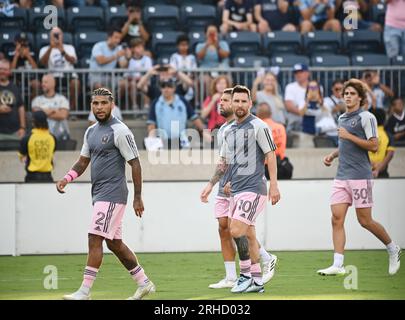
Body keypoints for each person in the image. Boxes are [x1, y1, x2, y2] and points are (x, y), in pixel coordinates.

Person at [56, 88, 155, 300]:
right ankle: (144, 283)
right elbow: (83, 161)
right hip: (99, 194)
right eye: (95, 103)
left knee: (94, 237)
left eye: (103, 103)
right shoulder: (91, 132)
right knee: (114, 243)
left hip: (113, 194)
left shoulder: (120, 131)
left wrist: (138, 197)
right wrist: (67, 178)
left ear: (112, 104)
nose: (99, 107)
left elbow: (135, 164)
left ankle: (84, 291)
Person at [317, 79, 401, 276]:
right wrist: (333, 154)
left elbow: (374, 146)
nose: (348, 96)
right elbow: (346, 144)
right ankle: (338, 264)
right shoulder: (342, 118)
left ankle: (392, 248)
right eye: (346, 93)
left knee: (365, 221)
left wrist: (348, 136)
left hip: (360, 176)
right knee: (336, 219)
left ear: (361, 98)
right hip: (341, 176)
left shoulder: (367, 117)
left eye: (352, 93)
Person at [203, 85, 280, 294]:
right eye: (236, 101)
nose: (239, 104)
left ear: (250, 103)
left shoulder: (258, 126)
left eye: (243, 101)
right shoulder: (227, 130)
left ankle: (244, 275)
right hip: (235, 189)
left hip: (254, 188)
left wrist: (274, 184)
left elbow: (270, 154)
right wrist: (212, 184)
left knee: (235, 230)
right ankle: (257, 281)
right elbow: (225, 161)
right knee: (250, 236)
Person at [146, 77, 205, 149]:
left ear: (174, 88)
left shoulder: (182, 100)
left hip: (181, 140)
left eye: (169, 86)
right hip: (162, 140)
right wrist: (152, 138)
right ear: (160, 89)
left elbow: (194, 118)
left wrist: (204, 132)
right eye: (163, 86)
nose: (166, 89)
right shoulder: (156, 102)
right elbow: (151, 123)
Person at [39, 27, 80, 110]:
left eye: (58, 34)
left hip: (68, 75)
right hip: (52, 76)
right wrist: (51, 48)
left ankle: (72, 109)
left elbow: (73, 61)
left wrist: (62, 50)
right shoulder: (44, 49)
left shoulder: (69, 47)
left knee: (75, 83)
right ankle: (50, 109)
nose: (56, 36)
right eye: (54, 35)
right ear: (50, 37)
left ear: (62, 36)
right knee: (46, 83)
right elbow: (42, 63)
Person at [256, 102, 293, 180]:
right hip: (280, 166)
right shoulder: (281, 127)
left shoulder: (256, 128)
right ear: (271, 114)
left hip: (263, 169)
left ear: (257, 115)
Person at [19, 110, 56, 183]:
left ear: (33, 122)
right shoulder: (52, 138)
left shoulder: (27, 138)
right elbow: (52, 153)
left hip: (32, 177)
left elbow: (22, 158)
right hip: (48, 177)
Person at [31, 74, 71, 141]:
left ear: (53, 84)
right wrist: (54, 110)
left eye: (45, 82)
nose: (42, 84)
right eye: (42, 82)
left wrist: (43, 111)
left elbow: (63, 115)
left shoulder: (62, 99)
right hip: (41, 138)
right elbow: (37, 115)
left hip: (61, 137)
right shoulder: (36, 100)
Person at [0, 59, 26, 141]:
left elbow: (21, 108)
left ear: (9, 71)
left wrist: (22, 127)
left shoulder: (15, 88)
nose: (2, 71)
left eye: (5, 69)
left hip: (15, 132)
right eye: (0, 69)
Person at [369, 108, 395, 178]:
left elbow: (359, 153)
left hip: (365, 172)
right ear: (384, 120)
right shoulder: (388, 135)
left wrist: (371, 165)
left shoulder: (364, 134)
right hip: (382, 173)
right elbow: (390, 154)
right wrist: (378, 169)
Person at [284, 63, 310, 132]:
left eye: (300, 72)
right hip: (295, 122)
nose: (298, 74)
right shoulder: (290, 87)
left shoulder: (315, 86)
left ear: (307, 73)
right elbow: (289, 106)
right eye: (296, 72)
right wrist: (303, 112)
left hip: (313, 121)